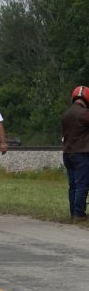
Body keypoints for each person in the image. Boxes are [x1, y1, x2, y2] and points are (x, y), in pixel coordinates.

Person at [61, 86, 89, 222]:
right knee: (82, 184)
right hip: (81, 153)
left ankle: (73, 213)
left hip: (67, 154)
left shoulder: (66, 114)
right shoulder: (84, 113)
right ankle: (79, 214)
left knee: (73, 185)